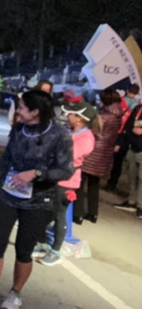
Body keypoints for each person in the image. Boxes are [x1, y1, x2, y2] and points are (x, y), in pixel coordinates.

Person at [0, 89, 73, 309]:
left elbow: (66, 170)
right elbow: (8, 156)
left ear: (36, 111)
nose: (17, 111)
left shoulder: (59, 135)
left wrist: (36, 173)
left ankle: (15, 292)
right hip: (7, 195)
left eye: (22, 107)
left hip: (39, 201)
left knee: (24, 250)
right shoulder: (19, 129)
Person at [37, 94, 97, 266]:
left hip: (66, 181)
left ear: (79, 118)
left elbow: (67, 157)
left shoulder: (86, 138)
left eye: (71, 114)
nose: (67, 116)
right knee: (46, 211)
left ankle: (55, 250)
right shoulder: (72, 132)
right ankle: (42, 244)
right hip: (56, 177)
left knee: (59, 215)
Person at [77, 89, 123, 223]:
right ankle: (93, 213)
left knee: (80, 182)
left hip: (93, 152)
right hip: (104, 154)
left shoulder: (103, 116)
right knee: (94, 184)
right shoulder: (118, 116)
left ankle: (78, 213)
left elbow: (92, 132)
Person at [113, 100, 142, 219]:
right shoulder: (138, 108)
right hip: (133, 146)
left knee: (141, 179)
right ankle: (132, 201)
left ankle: (140, 206)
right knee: (131, 175)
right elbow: (128, 125)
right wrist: (121, 142)